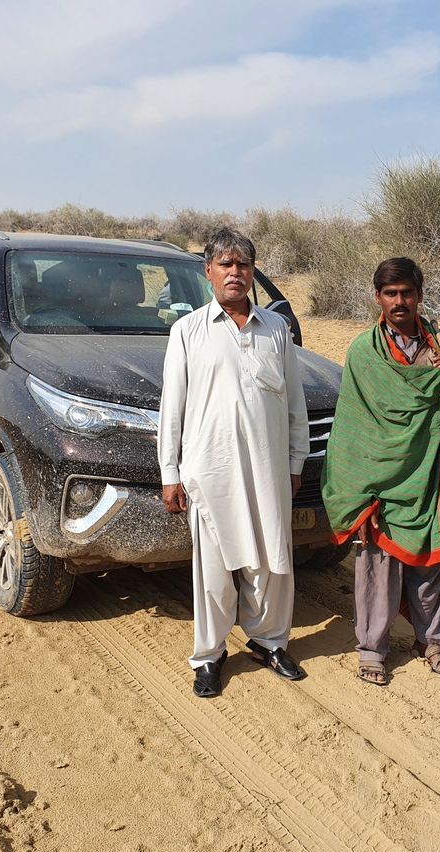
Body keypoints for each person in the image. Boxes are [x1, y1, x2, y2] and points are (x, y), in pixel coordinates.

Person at [322, 258, 440, 686]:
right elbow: (354, 430)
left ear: (419, 294)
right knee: (378, 571)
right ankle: (372, 650)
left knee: (432, 568)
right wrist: (361, 496)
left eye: (407, 293)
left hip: (433, 477)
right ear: (378, 297)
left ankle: (433, 643)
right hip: (381, 484)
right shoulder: (364, 352)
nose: (400, 301)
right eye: (391, 293)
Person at [157, 228, 310, 698]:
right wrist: (170, 473)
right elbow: (173, 407)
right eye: (225, 265)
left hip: (267, 469)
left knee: (271, 563)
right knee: (215, 570)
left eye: (243, 265)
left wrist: (295, 460)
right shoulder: (188, 331)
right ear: (208, 273)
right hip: (211, 470)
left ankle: (269, 642)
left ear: (252, 273)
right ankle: (210, 655)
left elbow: (294, 405)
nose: (235, 273)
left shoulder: (276, 330)